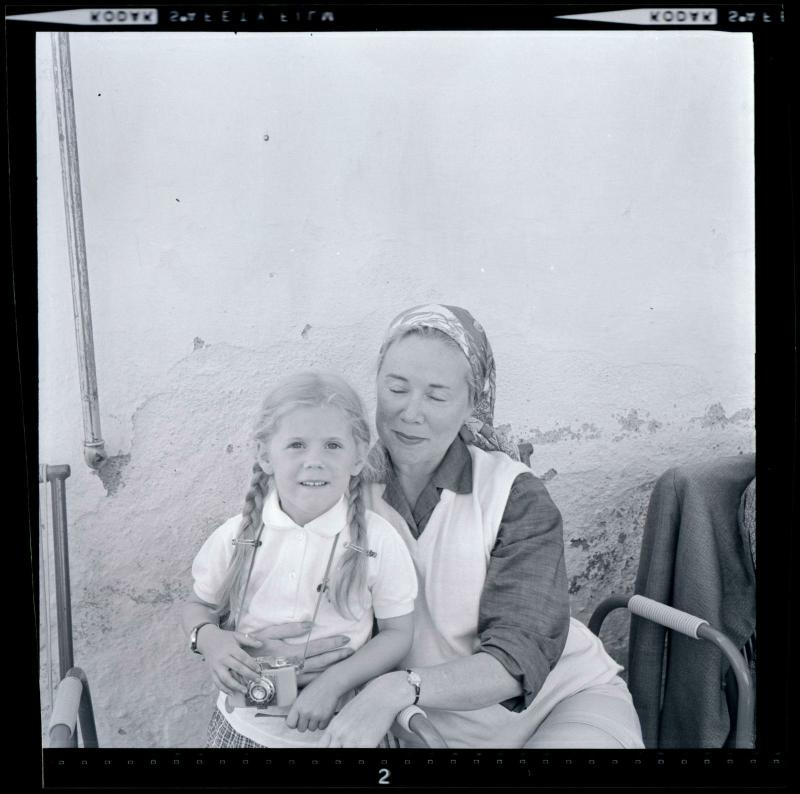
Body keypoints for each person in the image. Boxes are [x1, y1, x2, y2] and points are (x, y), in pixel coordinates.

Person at [316, 304, 645, 749]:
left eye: (436, 396)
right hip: (422, 727)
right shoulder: (340, 490)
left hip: (559, 706)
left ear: (472, 403)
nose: (411, 413)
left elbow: (517, 657)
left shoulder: (514, 496)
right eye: (396, 388)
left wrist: (394, 690)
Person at [181, 372, 418, 748]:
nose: (314, 462)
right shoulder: (236, 535)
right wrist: (210, 640)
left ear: (358, 457)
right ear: (264, 455)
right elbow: (199, 606)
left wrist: (333, 684)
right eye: (296, 445)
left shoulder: (378, 540)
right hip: (243, 732)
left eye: (333, 446)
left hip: (341, 735)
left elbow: (397, 633)